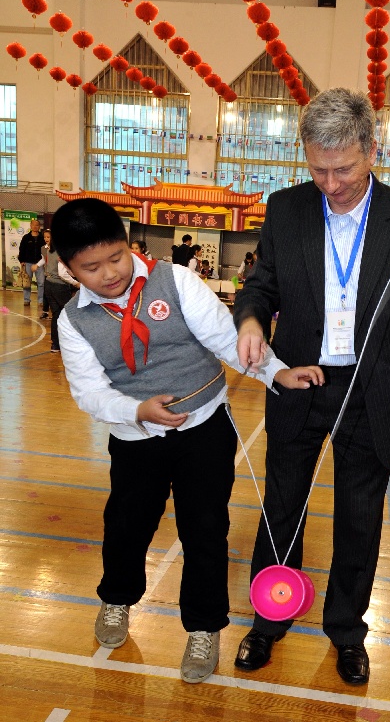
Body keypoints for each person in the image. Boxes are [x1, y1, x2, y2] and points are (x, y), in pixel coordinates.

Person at [232, 87, 390, 686]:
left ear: (372, 151)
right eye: (317, 169)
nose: (330, 184)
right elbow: (262, 286)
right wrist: (252, 320)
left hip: (373, 389)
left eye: (344, 170)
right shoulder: (286, 208)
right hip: (301, 381)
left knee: (360, 516)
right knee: (282, 506)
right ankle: (268, 618)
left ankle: (348, 631)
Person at [50, 197, 322, 684]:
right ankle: (116, 601)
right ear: (67, 268)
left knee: (205, 532)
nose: (109, 273)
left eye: (115, 257)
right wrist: (137, 410)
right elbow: (89, 393)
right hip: (135, 438)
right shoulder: (73, 321)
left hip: (205, 430)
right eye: (91, 267)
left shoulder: (174, 281)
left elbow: (226, 341)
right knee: (127, 529)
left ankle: (203, 628)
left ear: (128, 244)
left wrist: (278, 374)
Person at [43, 230, 79, 353]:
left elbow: (62, 269)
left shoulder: (50, 250)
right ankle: (70, 344)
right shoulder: (62, 252)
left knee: (56, 315)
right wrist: (75, 283)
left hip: (48, 285)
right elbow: (62, 273)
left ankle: (55, 345)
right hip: (59, 287)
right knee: (69, 314)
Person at [18, 218, 45, 307]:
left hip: (39, 264)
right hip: (28, 263)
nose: (35, 227)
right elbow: (21, 250)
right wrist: (22, 261)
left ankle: (40, 301)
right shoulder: (26, 237)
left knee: (41, 283)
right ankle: (26, 300)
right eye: (33, 225)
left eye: (37, 225)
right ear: (30, 226)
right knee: (27, 282)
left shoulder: (42, 238)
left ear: (39, 226)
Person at [40, 228, 52, 319]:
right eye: (45, 237)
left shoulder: (57, 248)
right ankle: (45, 311)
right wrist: (37, 265)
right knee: (46, 293)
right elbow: (43, 260)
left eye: (48, 237)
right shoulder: (43, 249)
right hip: (47, 274)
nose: (46, 239)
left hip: (56, 275)